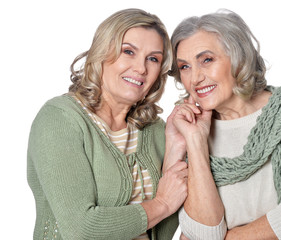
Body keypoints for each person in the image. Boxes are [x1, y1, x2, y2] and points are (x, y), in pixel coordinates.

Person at [168, 9, 281, 240]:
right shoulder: (191, 126)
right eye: (185, 67)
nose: (195, 78)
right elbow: (202, 232)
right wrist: (196, 142)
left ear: (239, 58)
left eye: (206, 60)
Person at [27, 8, 188, 240]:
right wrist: (161, 203)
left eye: (153, 58)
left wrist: (174, 148)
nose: (141, 68)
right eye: (128, 51)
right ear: (102, 52)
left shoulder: (155, 130)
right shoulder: (60, 119)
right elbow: (80, 228)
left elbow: (161, 232)